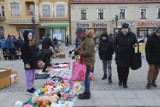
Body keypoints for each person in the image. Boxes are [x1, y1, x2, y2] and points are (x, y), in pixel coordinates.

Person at [114, 23, 138, 88]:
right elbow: (114, 44)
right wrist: (116, 51)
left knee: (126, 70)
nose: (124, 30)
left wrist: (136, 50)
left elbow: (136, 43)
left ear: (128, 29)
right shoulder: (118, 35)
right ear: (121, 29)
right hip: (120, 56)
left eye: (125, 29)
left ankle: (125, 82)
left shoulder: (132, 35)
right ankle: (120, 80)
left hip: (128, 55)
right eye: (123, 29)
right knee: (119, 69)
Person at [75, 28, 95, 99]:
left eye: (78, 35)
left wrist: (79, 52)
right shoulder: (86, 39)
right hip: (86, 61)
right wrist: (77, 50)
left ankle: (87, 94)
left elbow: (88, 52)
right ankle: (86, 91)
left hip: (88, 62)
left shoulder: (89, 40)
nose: (78, 37)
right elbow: (82, 47)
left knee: (86, 78)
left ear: (82, 34)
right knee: (85, 78)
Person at [21, 30, 37, 94]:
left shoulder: (32, 43)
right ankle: (28, 89)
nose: (31, 36)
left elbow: (35, 53)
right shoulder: (24, 44)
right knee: (29, 76)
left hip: (33, 62)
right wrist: (26, 62)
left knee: (33, 76)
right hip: (28, 63)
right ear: (26, 36)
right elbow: (23, 55)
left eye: (31, 35)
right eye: (30, 35)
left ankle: (31, 86)